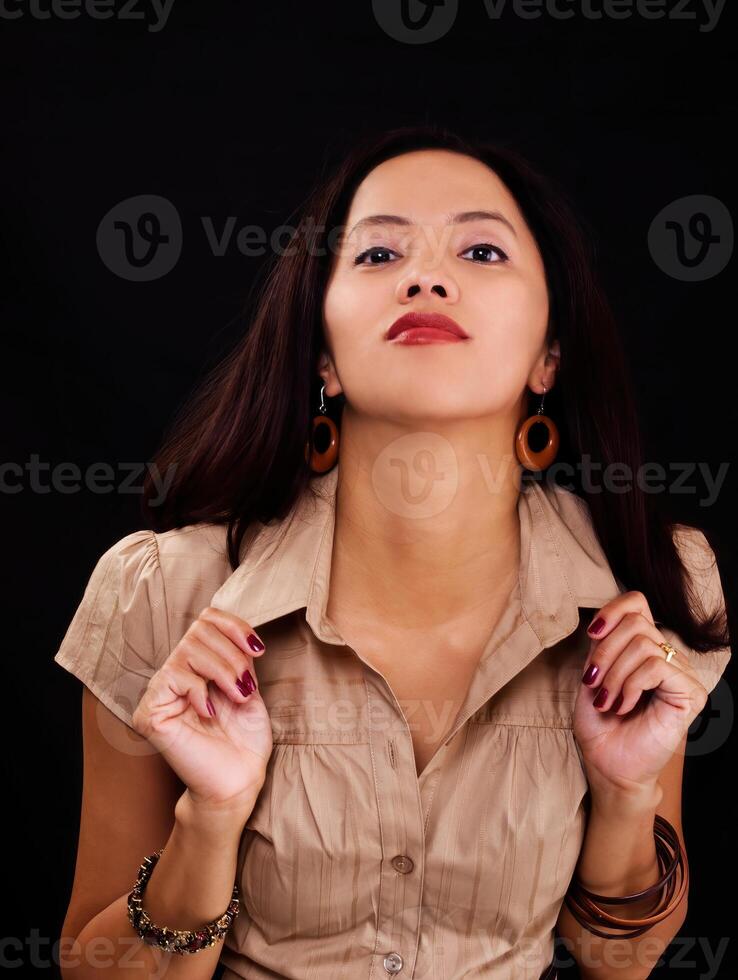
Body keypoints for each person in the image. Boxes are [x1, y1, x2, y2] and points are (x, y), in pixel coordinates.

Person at [54, 125, 731, 980]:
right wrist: (210, 821)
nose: (426, 276)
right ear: (324, 358)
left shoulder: (650, 582)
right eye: (378, 255)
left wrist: (628, 796)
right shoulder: (157, 592)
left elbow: (618, 959)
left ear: (550, 356)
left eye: (481, 249)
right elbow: (89, 967)